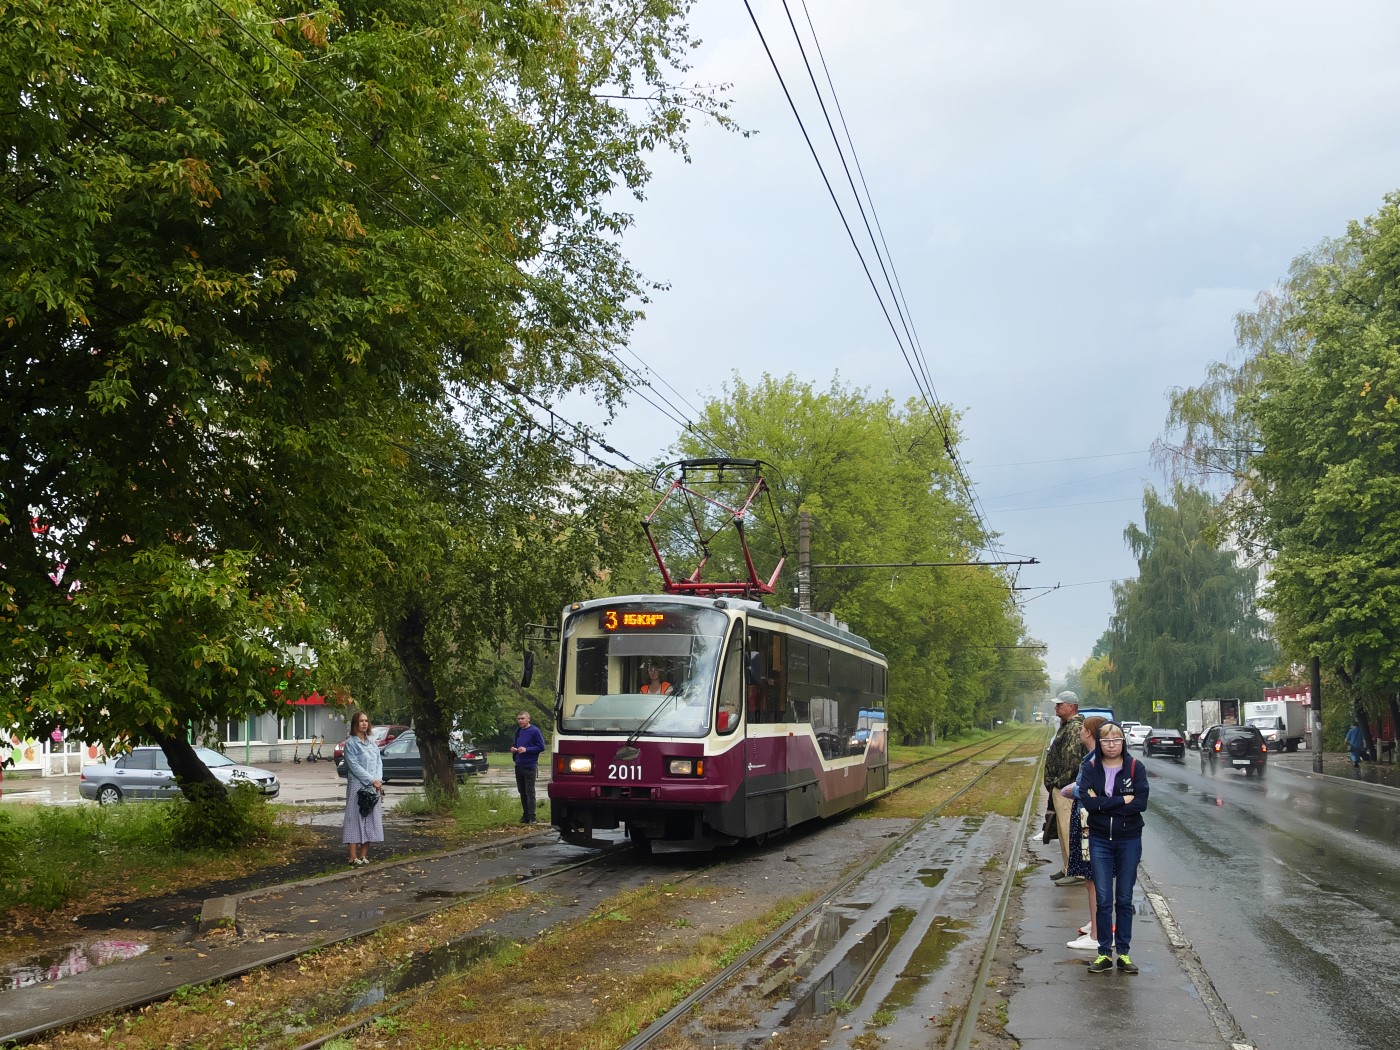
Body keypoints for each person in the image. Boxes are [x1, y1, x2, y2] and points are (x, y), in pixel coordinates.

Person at [1078, 721, 1149, 974]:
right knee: (1104, 899)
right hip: (1099, 840)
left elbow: (1140, 804)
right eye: (1106, 741)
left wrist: (1104, 803)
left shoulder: (1135, 767)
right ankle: (1104, 954)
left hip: (1128, 839)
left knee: (1124, 898)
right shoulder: (1091, 767)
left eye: (1116, 740)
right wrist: (1121, 801)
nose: (1111, 745)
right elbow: (1087, 802)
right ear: (1100, 743)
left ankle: (1124, 954)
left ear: (1123, 742)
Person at [1061, 715, 1107, 951]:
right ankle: (1095, 924)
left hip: (1089, 820)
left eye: (1082, 728)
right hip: (1088, 819)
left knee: (1092, 878)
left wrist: (1072, 790)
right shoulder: (1093, 757)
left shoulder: (1095, 759)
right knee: (1092, 878)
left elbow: (1094, 789)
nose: (1079, 731)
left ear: (1089, 733)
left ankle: (1098, 936)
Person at [1043, 691, 1086, 883]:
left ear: (1071, 706)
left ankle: (1077, 872)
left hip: (1067, 789)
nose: (1056, 707)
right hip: (1062, 787)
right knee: (1063, 829)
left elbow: (1072, 760)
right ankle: (1068, 866)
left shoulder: (1074, 728)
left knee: (1069, 829)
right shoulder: (1067, 725)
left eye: (1060, 704)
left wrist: (1059, 783)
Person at [341, 710, 385, 866]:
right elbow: (354, 766)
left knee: (370, 818)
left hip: (374, 786)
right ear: (355, 724)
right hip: (358, 785)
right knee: (354, 818)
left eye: (366, 720)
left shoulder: (372, 742)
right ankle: (353, 857)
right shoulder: (351, 744)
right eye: (361, 721)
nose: (364, 723)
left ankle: (364, 856)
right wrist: (371, 780)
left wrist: (378, 780)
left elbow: (378, 762)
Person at [510, 710, 546, 824]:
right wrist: (514, 749)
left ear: (528, 719)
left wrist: (527, 749)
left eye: (522, 718)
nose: (520, 721)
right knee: (522, 791)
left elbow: (541, 747)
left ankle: (532, 816)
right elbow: (515, 744)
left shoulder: (535, 731)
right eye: (519, 719)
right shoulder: (518, 731)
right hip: (519, 764)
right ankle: (525, 815)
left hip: (530, 765)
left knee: (530, 791)